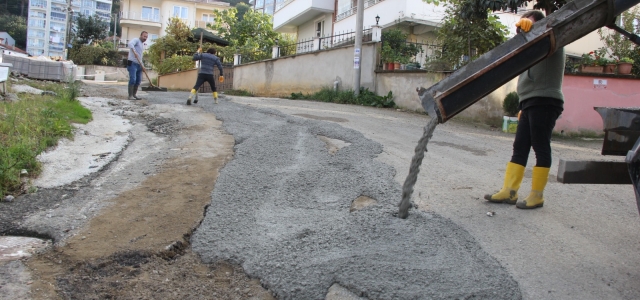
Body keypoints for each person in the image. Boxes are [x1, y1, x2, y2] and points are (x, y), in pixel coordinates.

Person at [484, 10, 565, 209]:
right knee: (520, 147)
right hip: (530, 102)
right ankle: (509, 191)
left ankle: (537, 195)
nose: (522, 26)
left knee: (540, 146)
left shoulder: (552, 39)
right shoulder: (530, 48)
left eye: (527, 23)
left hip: (545, 100)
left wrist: (538, 27)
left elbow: (551, 31)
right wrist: (523, 105)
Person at [127, 31, 148, 100]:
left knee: (138, 80)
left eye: (146, 37)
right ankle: (130, 96)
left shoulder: (142, 45)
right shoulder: (136, 40)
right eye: (144, 36)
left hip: (139, 64)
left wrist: (143, 66)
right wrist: (134, 52)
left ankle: (134, 95)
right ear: (141, 35)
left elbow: (140, 57)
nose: (145, 38)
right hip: (132, 63)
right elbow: (130, 44)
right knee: (133, 79)